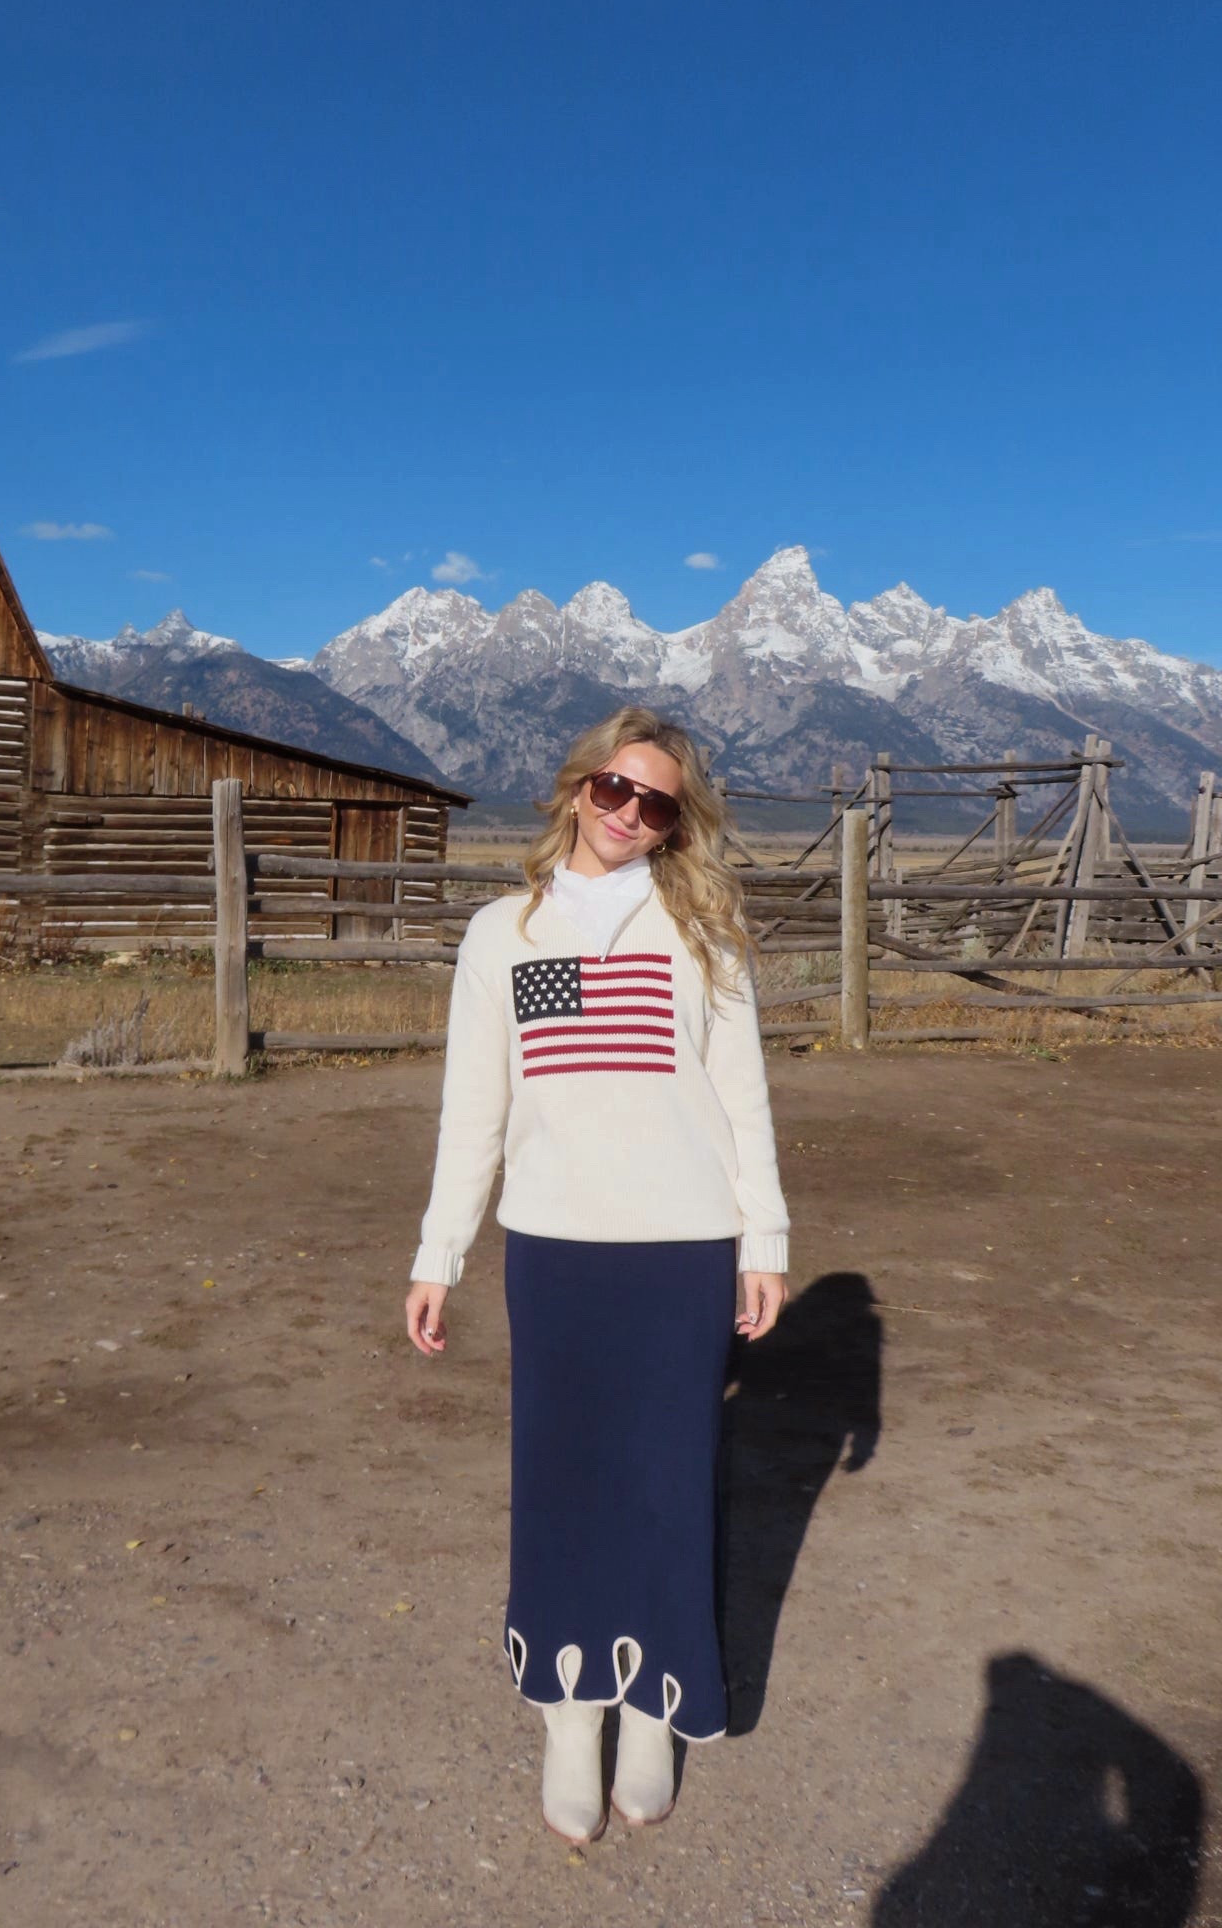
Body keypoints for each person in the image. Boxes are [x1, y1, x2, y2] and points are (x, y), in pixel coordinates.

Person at [403, 706, 789, 1844]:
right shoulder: (503, 932)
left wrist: (762, 1237)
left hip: (682, 1249)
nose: (628, 813)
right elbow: (476, 1111)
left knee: (671, 1476)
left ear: (678, 823)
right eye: (613, 789)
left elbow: (741, 1094)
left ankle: (656, 1704)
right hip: (557, 1252)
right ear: (578, 787)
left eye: (656, 801)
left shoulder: (702, 931)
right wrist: (440, 1251)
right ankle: (571, 1709)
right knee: (562, 1476)